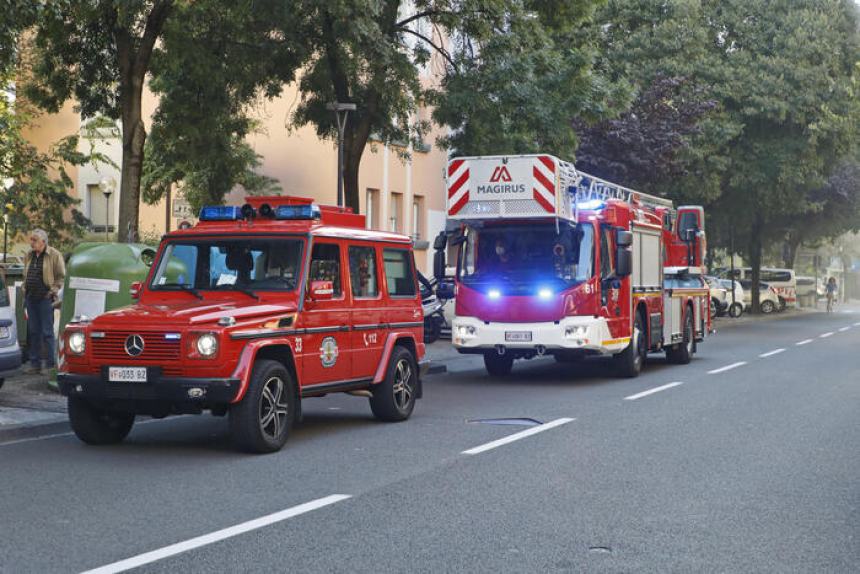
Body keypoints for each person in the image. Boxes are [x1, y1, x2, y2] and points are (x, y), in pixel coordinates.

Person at [22, 229, 66, 374]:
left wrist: (53, 291)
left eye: (34, 240)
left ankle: (50, 365)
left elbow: (61, 276)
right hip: (31, 297)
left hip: (45, 299)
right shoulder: (29, 255)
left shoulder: (54, 254)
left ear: (43, 241)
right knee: (33, 332)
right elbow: (26, 274)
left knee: (47, 332)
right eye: (31, 239)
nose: (31, 242)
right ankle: (35, 364)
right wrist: (24, 288)